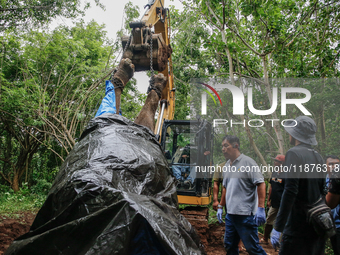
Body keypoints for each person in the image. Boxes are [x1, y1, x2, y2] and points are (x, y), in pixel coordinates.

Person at [271, 116, 326, 255]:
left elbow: (290, 190)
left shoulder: (294, 153)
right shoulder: (317, 155)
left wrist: (278, 227)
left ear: (295, 134)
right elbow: (322, 190)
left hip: (297, 226)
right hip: (315, 225)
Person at [216, 135, 267, 255]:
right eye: (222, 146)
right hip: (230, 215)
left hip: (245, 215)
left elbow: (261, 183)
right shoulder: (227, 166)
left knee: (252, 248)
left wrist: (261, 208)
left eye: (226, 145)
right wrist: (220, 206)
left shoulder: (248, 162)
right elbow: (225, 188)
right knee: (229, 246)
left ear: (236, 146)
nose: (223, 149)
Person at [260, 155, 285, 245]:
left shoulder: (286, 174)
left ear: (282, 163)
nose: (274, 162)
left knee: (283, 222)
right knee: (269, 219)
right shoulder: (274, 173)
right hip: (274, 202)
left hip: (283, 203)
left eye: (276, 161)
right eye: (274, 161)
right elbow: (271, 187)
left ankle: (280, 243)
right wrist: (268, 199)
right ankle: (265, 239)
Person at [325, 155, 340, 255]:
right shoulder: (321, 182)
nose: (334, 167)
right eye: (331, 164)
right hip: (330, 225)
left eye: (337, 164)